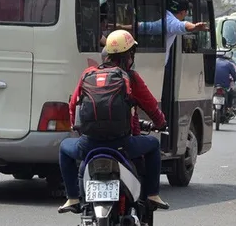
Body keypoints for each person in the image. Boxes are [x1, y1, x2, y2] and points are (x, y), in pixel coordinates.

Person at [58, 30, 169, 214]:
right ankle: (152, 195)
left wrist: (77, 127)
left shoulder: (89, 74)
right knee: (153, 145)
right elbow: (151, 108)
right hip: (122, 145)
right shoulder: (131, 78)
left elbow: (73, 106)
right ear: (129, 55)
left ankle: (72, 198)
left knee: (64, 147)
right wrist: (161, 123)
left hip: (88, 145)